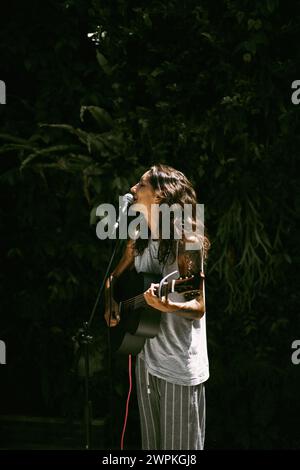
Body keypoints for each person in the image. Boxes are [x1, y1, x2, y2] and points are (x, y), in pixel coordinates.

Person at [104, 164, 210, 450]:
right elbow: (112, 279)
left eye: (140, 186)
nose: (132, 190)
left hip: (178, 366)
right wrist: (111, 301)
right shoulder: (140, 239)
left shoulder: (187, 243)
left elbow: (198, 306)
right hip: (145, 360)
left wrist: (165, 305)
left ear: (161, 195)